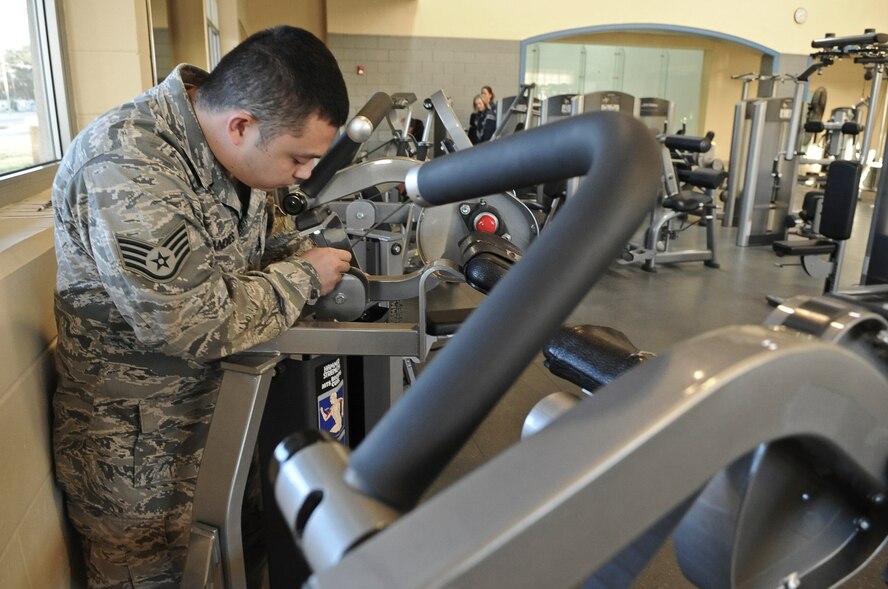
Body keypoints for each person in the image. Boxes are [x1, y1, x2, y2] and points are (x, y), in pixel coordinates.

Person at [51, 25, 352, 588]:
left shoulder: (235, 153)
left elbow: (259, 245)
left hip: (222, 425)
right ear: (241, 125)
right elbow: (187, 321)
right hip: (142, 461)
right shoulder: (128, 162)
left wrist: (314, 252)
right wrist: (306, 276)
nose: (307, 174)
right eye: (300, 158)